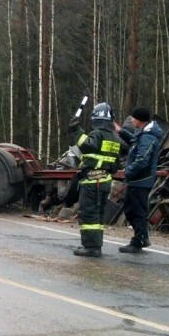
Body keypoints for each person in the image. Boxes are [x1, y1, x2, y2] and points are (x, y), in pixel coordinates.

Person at [68, 102, 122, 257]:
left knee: (88, 213)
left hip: (93, 181)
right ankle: (95, 245)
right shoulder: (114, 138)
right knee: (97, 215)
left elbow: (86, 146)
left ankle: (91, 248)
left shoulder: (97, 134)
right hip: (105, 181)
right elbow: (117, 162)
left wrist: (76, 130)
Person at [114, 106, 163, 253]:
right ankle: (141, 238)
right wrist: (120, 131)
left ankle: (139, 241)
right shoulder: (143, 134)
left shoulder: (148, 137)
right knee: (130, 209)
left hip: (141, 180)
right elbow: (134, 142)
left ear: (140, 120)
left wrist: (128, 172)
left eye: (133, 118)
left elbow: (142, 160)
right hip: (136, 180)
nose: (131, 120)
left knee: (137, 211)